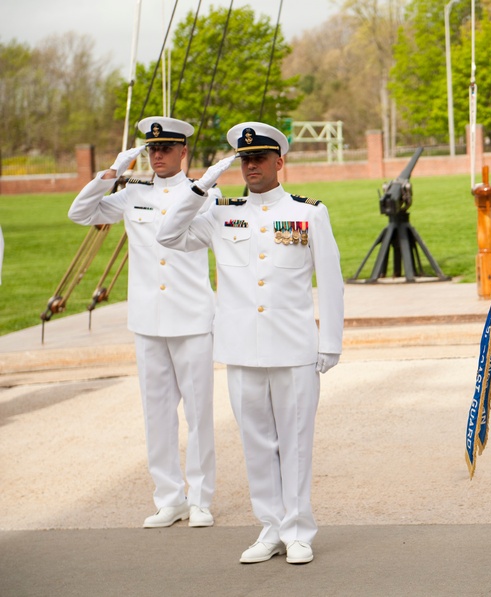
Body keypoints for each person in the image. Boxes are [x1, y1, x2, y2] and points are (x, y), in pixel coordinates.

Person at [157, 122, 345, 565]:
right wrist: (201, 186)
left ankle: (299, 530)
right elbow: (167, 235)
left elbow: (331, 281)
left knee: (296, 440)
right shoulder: (222, 212)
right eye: (244, 159)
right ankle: (270, 526)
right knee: (256, 442)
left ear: (280, 162)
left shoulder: (308, 213)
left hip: (294, 348)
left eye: (259, 158)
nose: (250, 166)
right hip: (242, 348)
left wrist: (330, 342)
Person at [68, 117, 218, 529]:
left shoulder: (204, 194)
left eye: (166, 149)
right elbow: (80, 213)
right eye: (152, 149)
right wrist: (111, 174)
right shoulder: (132, 191)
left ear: (183, 151)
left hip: (191, 317)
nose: (157, 155)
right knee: (157, 413)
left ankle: (201, 498)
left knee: (199, 414)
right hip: (148, 319)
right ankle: (169, 498)